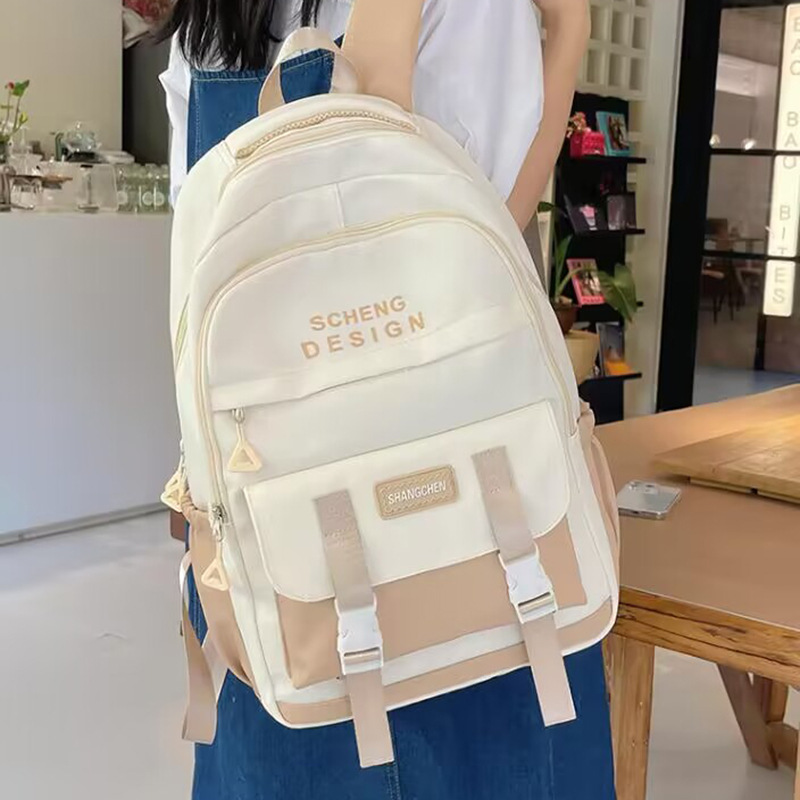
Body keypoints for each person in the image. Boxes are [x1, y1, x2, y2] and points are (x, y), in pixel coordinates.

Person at [159, 2, 615, 798]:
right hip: (464, 537)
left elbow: (197, 250)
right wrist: (569, 31)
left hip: (275, 538)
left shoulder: (204, 27)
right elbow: (475, 238)